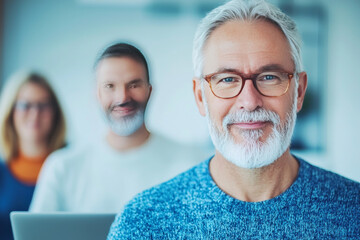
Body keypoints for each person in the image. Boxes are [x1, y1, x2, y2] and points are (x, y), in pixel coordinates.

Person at [107, 0, 360, 239]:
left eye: (269, 77)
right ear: (199, 97)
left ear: (299, 92)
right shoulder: (143, 223)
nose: (249, 102)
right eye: (227, 79)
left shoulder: (354, 212)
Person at [30, 42, 207, 213]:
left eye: (134, 85)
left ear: (149, 91)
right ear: (97, 94)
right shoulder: (62, 168)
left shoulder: (192, 165)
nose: (122, 97)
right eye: (110, 86)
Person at [0, 71, 66, 240]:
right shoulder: (2, 171)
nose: (35, 113)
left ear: (55, 112)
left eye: (43, 105)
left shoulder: (70, 166)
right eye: (25, 105)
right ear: (11, 111)